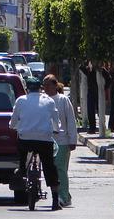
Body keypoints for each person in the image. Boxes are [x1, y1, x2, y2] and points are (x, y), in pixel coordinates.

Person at [9, 76, 61, 211]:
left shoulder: (21, 100)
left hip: (25, 139)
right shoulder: (49, 101)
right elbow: (56, 120)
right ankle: (55, 200)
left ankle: (21, 169)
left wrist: (12, 126)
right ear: (40, 88)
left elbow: (13, 120)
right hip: (44, 139)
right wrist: (56, 129)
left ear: (27, 89)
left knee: (21, 150)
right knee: (50, 167)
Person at [43, 74, 77, 208]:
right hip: (46, 140)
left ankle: (63, 197)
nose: (45, 88)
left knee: (61, 169)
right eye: (44, 85)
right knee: (51, 170)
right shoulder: (43, 100)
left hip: (62, 141)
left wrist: (72, 139)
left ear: (55, 85)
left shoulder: (63, 100)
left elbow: (71, 120)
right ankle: (63, 195)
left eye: (47, 85)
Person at [80, 61, 99, 133]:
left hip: (98, 92)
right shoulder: (89, 71)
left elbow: (108, 79)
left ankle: (101, 127)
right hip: (91, 91)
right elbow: (82, 68)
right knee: (90, 111)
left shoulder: (100, 70)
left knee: (98, 110)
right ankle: (92, 128)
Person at [102, 63, 114, 132]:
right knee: (113, 110)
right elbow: (109, 85)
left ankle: (111, 126)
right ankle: (111, 127)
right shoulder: (111, 73)